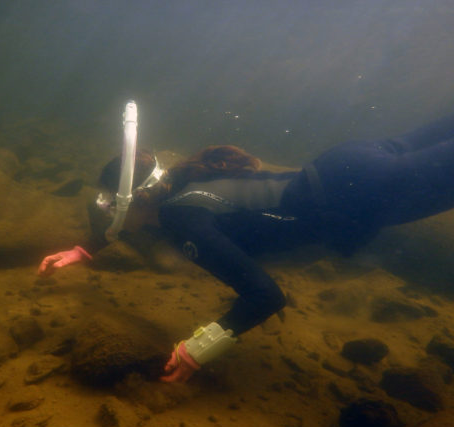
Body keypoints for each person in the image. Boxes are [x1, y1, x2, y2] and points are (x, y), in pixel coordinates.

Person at [38, 114, 454, 382]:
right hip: (348, 163)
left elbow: (266, 296)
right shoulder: (180, 182)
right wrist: (84, 250)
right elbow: (128, 222)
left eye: (112, 204)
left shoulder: (181, 219)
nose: (109, 212)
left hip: (362, 193)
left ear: (135, 201)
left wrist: (195, 351)